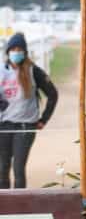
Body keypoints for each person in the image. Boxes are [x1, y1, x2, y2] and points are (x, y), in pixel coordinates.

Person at [0, 32, 58, 189]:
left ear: (25, 52)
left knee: (18, 168)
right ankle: (3, 207)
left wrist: (44, 119)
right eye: (14, 49)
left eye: (20, 50)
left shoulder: (34, 71)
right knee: (2, 169)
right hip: (3, 126)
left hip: (25, 126)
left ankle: (19, 207)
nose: (16, 53)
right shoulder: (1, 71)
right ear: (8, 51)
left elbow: (53, 94)